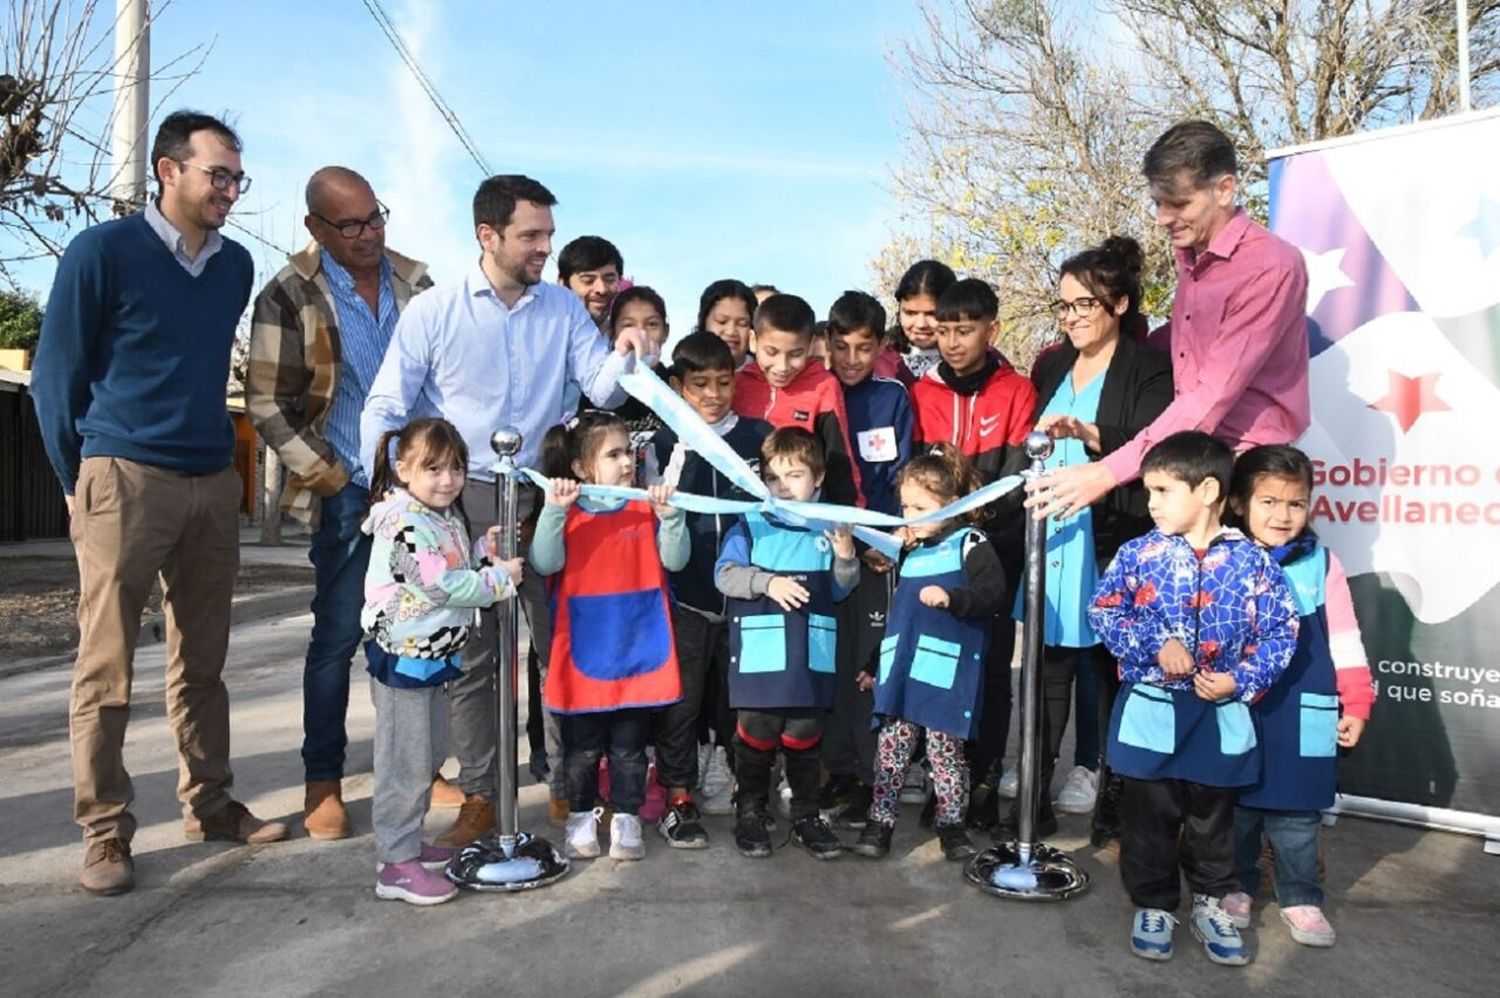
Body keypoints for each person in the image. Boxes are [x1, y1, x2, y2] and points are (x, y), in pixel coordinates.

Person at [32, 110, 288, 897]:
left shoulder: (234, 266)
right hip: (122, 475)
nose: (231, 192)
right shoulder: (101, 253)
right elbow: (55, 379)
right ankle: (106, 833)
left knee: (203, 661)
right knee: (105, 667)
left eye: (238, 178)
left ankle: (209, 803)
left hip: (213, 478)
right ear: (167, 170)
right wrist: (78, 484)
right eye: (219, 175)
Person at [361, 174, 657, 847]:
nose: (544, 248)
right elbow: (389, 403)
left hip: (548, 496)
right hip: (462, 500)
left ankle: (565, 787)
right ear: (487, 235)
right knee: (475, 656)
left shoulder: (561, 309)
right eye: (531, 235)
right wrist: (382, 482)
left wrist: (627, 356)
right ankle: (482, 797)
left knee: (559, 644)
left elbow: (602, 389)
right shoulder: (434, 313)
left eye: (548, 234)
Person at [246, 166, 437, 840]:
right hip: (347, 491)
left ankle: (424, 762)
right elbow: (267, 403)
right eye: (349, 223)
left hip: (422, 492)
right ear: (316, 228)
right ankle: (322, 779)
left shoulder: (418, 285)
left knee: (423, 632)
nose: (367, 234)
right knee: (336, 638)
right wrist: (332, 477)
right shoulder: (289, 294)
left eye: (374, 216)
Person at [1087, 431, 1299, 967]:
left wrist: (1241, 679)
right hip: (1153, 712)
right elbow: (1106, 612)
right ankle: (1154, 903)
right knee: (1149, 816)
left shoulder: (1254, 562)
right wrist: (1158, 644)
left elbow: (1281, 632)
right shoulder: (1138, 554)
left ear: (1206, 490)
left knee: (1212, 820)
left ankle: (1210, 903)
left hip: (1221, 714)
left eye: (1161, 490)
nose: (1150, 502)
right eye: (1148, 490)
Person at [1029, 119, 1309, 522]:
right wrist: (1108, 347)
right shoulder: (1191, 258)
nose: (1162, 218)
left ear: (1225, 189)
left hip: (1250, 477)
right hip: (1192, 460)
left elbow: (1210, 395)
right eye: (1158, 203)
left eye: (1177, 203)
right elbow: (1181, 342)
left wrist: (1106, 472)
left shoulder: (1270, 266)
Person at [998, 236, 1172, 842]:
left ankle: (1106, 787)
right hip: (1053, 539)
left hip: (1115, 540)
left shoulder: (1149, 367)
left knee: (1110, 671)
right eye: (1064, 306)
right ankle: (1033, 790)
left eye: (1083, 305)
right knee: (1044, 670)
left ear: (1119, 304)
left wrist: (1088, 431)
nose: (1071, 317)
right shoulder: (1048, 365)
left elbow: (1156, 446)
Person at [361, 418, 523, 905]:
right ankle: (395, 863)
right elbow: (437, 584)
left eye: (455, 467)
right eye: (432, 468)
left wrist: (480, 552)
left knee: (429, 755)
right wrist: (499, 582)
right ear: (403, 469)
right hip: (403, 660)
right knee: (404, 764)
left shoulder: (442, 516)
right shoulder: (406, 523)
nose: (447, 479)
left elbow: (452, 566)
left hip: (431, 658)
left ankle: (407, 845)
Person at [1221, 445, 1374, 948]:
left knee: (1297, 816)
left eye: (1295, 503)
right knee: (1235, 806)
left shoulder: (1322, 564)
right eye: (1268, 502)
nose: (1282, 516)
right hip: (1237, 708)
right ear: (1239, 503)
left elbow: (1345, 638)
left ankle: (1301, 895)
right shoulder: (1219, 557)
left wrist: (1356, 702)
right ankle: (1236, 886)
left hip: (1301, 713)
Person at [531, 412, 689, 861]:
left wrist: (671, 519)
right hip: (586, 649)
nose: (626, 463)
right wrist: (553, 512)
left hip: (637, 648)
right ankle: (581, 817)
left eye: (630, 453)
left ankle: (627, 818)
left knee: (630, 748)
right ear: (581, 468)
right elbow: (544, 563)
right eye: (613, 454)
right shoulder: (570, 511)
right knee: (581, 750)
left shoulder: (645, 505)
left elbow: (675, 562)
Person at [910, 278, 1036, 828]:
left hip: (995, 552)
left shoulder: (1018, 391)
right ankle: (944, 781)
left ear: (993, 329)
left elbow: (1014, 479)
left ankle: (983, 780)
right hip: (934, 553)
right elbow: (918, 479)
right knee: (938, 664)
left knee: (989, 671)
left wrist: (971, 526)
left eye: (964, 330)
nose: (953, 343)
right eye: (944, 332)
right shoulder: (922, 394)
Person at [643, 332, 774, 841]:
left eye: (724, 382)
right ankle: (678, 793)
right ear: (678, 387)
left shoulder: (758, 437)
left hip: (748, 598)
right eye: (701, 385)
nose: (715, 394)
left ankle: (743, 787)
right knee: (682, 700)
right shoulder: (659, 446)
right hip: (686, 598)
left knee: (741, 699)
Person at [852, 446, 1005, 862]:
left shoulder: (969, 541)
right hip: (902, 671)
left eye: (921, 506)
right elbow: (898, 619)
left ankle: (952, 826)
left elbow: (992, 594)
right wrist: (873, 665)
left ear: (953, 504)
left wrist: (953, 599)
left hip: (946, 673)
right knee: (891, 751)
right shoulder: (910, 552)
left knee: (946, 754)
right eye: (905, 506)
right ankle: (879, 823)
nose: (911, 515)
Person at [715, 428, 858, 861]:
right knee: (756, 734)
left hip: (810, 656)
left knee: (804, 736)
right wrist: (767, 582)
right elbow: (725, 575)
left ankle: (806, 814)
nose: (782, 486)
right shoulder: (751, 523)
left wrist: (847, 556)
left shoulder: (833, 524)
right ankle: (752, 810)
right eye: (774, 478)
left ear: (817, 478)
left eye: (794, 475)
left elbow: (841, 590)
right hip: (760, 658)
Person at [820, 291, 914, 826]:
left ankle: (870, 776)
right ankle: (832, 772)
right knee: (828, 662)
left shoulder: (893, 397)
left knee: (865, 664)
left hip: (877, 554)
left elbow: (901, 476)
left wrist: (885, 541)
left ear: (881, 346)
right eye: (841, 347)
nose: (851, 359)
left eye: (863, 348)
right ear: (827, 344)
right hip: (824, 550)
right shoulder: (817, 387)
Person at [732, 293, 863, 507]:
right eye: (771, 352)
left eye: (795, 354)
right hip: (745, 516)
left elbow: (839, 459)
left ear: (811, 346)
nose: (782, 366)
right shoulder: (737, 385)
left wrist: (848, 520)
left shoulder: (823, 386)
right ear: (754, 341)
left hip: (804, 518)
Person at [889, 260, 957, 383]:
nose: (921, 324)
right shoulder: (876, 356)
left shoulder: (980, 361)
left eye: (932, 314)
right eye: (910, 313)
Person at [557, 235, 623, 330]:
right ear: (562, 284)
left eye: (609, 279)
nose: (602, 289)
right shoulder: (543, 337)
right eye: (588, 280)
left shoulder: (625, 339)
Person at [697, 278, 758, 370]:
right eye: (721, 321)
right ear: (703, 321)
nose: (731, 331)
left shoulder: (771, 379)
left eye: (742, 323)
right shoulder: (682, 375)